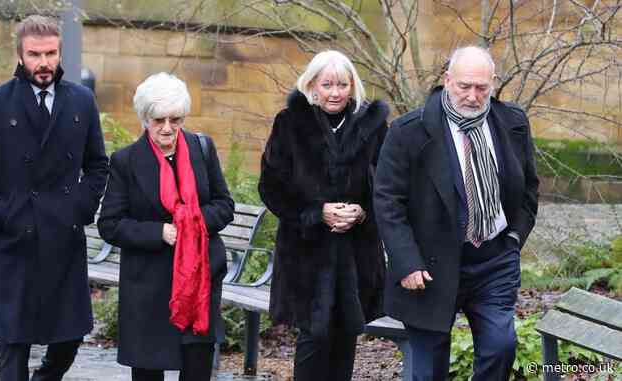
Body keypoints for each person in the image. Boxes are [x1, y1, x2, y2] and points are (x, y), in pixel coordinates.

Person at [0, 15, 108, 381]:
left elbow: (98, 165)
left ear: (60, 53)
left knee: (70, 337)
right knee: (13, 342)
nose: (44, 62)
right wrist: (4, 214)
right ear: (20, 55)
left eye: (51, 53)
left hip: (64, 235)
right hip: (12, 241)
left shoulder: (81, 101)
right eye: (35, 54)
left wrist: (81, 208)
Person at [374, 46, 539, 380]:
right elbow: (388, 201)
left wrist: (514, 236)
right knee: (428, 368)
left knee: (501, 346)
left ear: (493, 83)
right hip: (428, 266)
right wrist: (407, 261)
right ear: (447, 80)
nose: (473, 96)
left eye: (482, 87)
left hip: (494, 260)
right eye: (465, 86)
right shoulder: (408, 132)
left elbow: (529, 190)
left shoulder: (513, 123)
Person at [258, 50, 389, 381]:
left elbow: (389, 187)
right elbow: (271, 188)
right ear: (312, 85)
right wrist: (317, 213)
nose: (335, 92)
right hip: (307, 254)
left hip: (356, 255)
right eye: (327, 84)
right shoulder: (289, 124)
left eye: (342, 84)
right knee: (313, 340)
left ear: (352, 86)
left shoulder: (373, 127)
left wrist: (362, 213)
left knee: (346, 341)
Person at [97, 72, 234, 381]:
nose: (168, 128)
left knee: (197, 369)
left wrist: (193, 223)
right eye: (159, 120)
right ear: (145, 119)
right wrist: (159, 232)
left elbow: (225, 205)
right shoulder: (126, 161)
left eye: (176, 119)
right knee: (148, 372)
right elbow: (110, 224)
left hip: (199, 283)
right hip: (149, 287)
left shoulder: (202, 148)